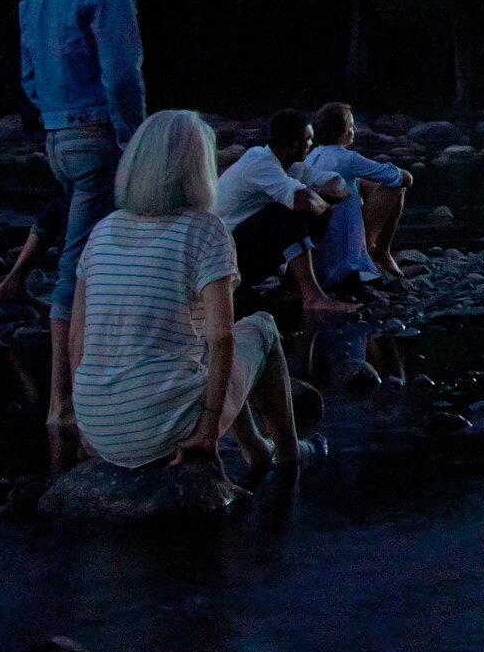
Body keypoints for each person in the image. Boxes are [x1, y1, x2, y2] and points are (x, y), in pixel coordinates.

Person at [69, 110, 308, 476]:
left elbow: (76, 337)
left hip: (100, 427)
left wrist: (85, 423)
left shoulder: (102, 230)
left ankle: (256, 447)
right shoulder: (205, 229)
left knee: (201, 353)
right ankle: (289, 454)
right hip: (165, 427)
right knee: (261, 328)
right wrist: (209, 430)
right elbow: (222, 335)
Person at [19, 0, 146, 430]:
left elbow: (25, 71)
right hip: (98, 135)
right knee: (86, 266)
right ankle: (67, 404)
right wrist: (137, 138)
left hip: (56, 135)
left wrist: (52, 114)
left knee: (85, 258)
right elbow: (123, 74)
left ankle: (78, 395)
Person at [211, 108, 358, 323]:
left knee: (307, 210)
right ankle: (312, 296)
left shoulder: (294, 166)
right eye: (309, 140)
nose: (312, 144)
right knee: (284, 211)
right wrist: (324, 204)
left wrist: (320, 203)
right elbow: (304, 203)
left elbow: (340, 185)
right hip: (222, 261)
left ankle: (292, 289)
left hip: (242, 258)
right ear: (295, 145)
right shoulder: (259, 162)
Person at [301, 102, 410, 286]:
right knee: (396, 187)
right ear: (343, 131)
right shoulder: (347, 158)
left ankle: (375, 250)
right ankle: (382, 252)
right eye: (351, 125)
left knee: (359, 183)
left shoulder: (311, 157)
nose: (355, 129)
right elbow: (404, 178)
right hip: (343, 257)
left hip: (319, 256)